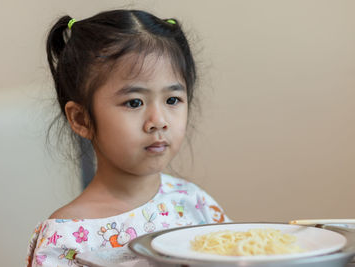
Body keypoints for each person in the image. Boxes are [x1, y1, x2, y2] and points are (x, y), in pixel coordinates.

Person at [26, 9, 230, 267]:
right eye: (134, 102)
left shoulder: (193, 202)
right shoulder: (66, 238)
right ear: (81, 119)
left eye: (172, 100)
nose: (158, 120)